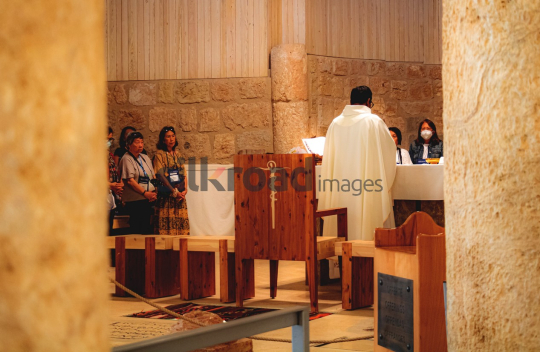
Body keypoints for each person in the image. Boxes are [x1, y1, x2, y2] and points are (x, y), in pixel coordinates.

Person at [318, 86, 396, 241]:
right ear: (368, 102)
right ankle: (367, 261)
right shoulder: (373, 122)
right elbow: (389, 151)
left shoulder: (335, 124)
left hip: (341, 188)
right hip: (368, 186)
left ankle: (342, 259)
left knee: (341, 226)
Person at [153, 126, 190, 236]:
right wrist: (174, 192)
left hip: (179, 197)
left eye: (173, 136)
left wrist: (185, 190)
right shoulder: (159, 155)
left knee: (181, 230)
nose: (171, 139)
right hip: (167, 196)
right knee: (167, 230)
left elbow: (184, 174)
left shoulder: (178, 155)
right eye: (168, 137)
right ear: (163, 140)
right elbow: (160, 175)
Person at [119, 131, 157, 234]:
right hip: (136, 200)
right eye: (137, 142)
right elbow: (130, 181)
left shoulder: (144, 157)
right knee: (137, 229)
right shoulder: (126, 158)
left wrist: (155, 191)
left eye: (142, 142)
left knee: (147, 229)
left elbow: (152, 175)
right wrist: (145, 193)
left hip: (148, 198)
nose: (140, 145)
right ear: (129, 144)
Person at [107, 127, 123, 235]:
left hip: (108, 195)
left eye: (110, 140)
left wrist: (116, 185)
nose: (108, 143)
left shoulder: (108, 155)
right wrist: (110, 185)